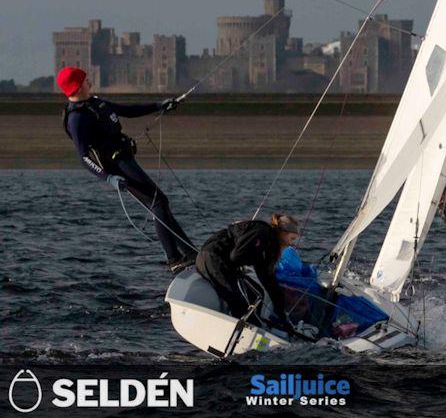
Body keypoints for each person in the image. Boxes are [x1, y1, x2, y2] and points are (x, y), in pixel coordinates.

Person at [57, 66, 193, 272]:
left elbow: (128, 110)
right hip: (116, 166)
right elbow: (83, 157)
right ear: (76, 87)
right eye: (86, 81)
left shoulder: (96, 103)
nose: (90, 83)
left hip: (126, 158)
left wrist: (159, 105)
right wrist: (109, 178)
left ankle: (190, 253)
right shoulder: (77, 119)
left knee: (159, 203)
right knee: (158, 202)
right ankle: (175, 260)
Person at [195, 214, 300, 327]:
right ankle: (243, 330)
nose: (291, 244)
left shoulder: (270, 246)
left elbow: (269, 280)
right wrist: (256, 260)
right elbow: (236, 256)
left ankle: (256, 326)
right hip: (212, 258)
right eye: (292, 238)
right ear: (282, 232)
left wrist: (281, 313)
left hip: (225, 265)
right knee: (238, 301)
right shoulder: (262, 232)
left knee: (256, 294)